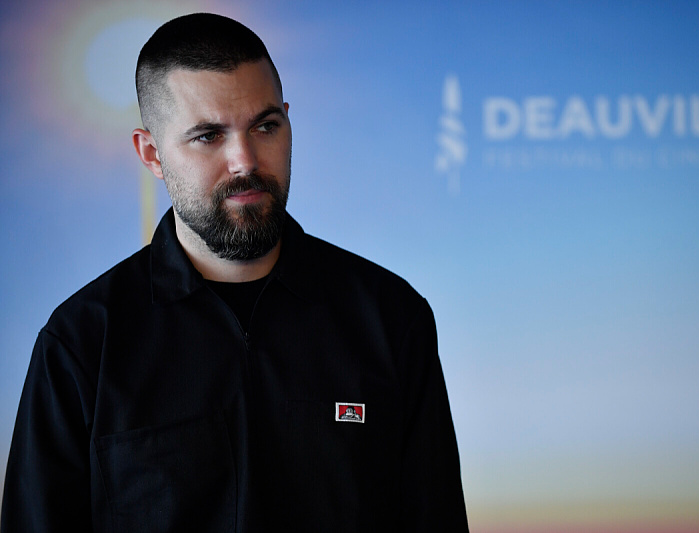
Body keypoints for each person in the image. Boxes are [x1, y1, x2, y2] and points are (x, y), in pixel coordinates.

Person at [1, 13, 469, 532]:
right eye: (208, 136)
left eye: (265, 126)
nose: (245, 160)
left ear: (289, 122)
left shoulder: (392, 316)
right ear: (152, 153)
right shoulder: (82, 343)